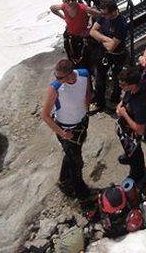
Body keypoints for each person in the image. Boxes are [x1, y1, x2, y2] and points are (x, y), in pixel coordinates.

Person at [40, 58, 92, 199]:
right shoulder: (55, 88)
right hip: (67, 130)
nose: (57, 79)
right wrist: (62, 133)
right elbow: (45, 115)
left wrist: (86, 108)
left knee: (71, 155)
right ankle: (80, 192)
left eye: (60, 77)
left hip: (81, 123)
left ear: (70, 74)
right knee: (77, 163)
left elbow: (87, 91)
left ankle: (63, 181)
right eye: (56, 76)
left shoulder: (83, 74)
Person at [88, 0, 129, 113]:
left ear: (114, 11)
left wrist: (99, 37)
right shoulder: (103, 16)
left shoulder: (121, 24)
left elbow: (112, 46)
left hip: (117, 55)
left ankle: (115, 100)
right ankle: (99, 102)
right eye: (102, 14)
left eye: (106, 14)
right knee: (100, 76)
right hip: (104, 53)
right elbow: (92, 31)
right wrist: (105, 39)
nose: (103, 16)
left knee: (117, 79)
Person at [50, 0, 100, 69]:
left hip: (82, 38)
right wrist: (63, 17)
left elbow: (100, 15)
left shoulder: (83, 8)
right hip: (71, 37)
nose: (71, 2)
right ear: (64, 2)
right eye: (68, 1)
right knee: (72, 58)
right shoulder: (63, 7)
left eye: (73, 0)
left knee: (86, 61)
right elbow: (52, 8)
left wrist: (91, 29)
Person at [115, 67, 146, 183]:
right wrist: (121, 105)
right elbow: (125, 98)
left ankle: (138, 173)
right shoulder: (132, 90)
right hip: (125, 127)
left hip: (133, 132)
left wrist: (124, 114)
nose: (120, 86)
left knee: (135, 153)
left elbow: (140, 130)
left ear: (133, 85)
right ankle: (129, 156)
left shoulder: (140, 103)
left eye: (123, 85)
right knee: (129, 151)